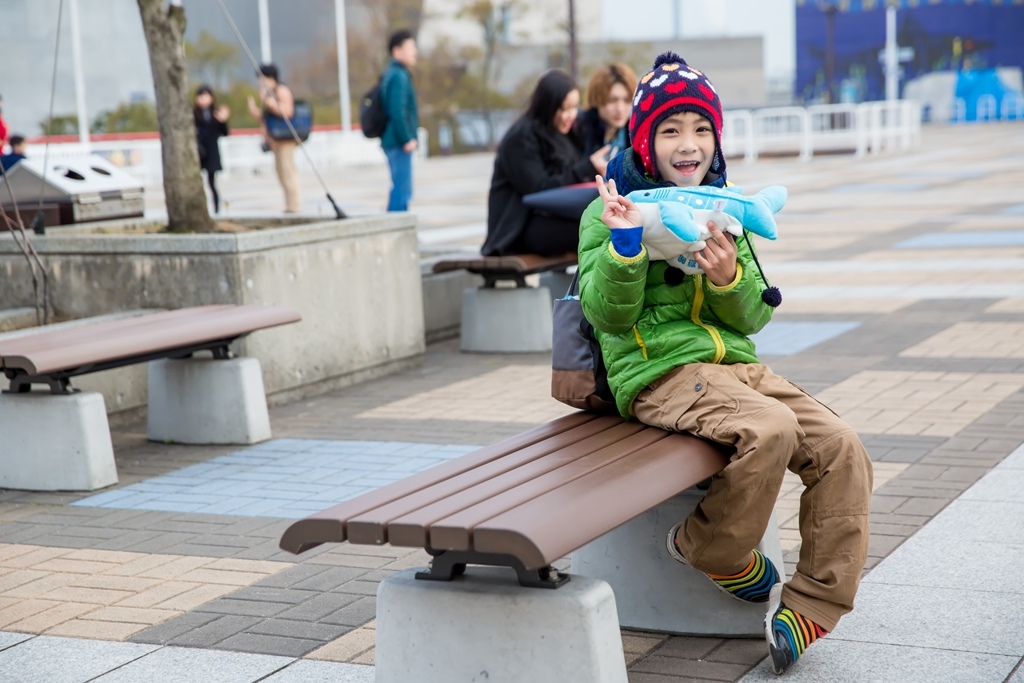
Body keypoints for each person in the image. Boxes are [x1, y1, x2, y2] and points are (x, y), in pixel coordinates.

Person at [578, 52, 872, 675]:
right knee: (771, 428)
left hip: (734, 367)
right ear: (644, 139)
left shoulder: (726, 205)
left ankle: (814, 603)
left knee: (842, 446)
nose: (688, 143)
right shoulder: (613, 208)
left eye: (701, 129)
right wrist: (627, 247)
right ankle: (711, 547)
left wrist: (727, 277)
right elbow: (606, 315)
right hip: (658, 372)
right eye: (670, 130)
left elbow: (753, 316)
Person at [482, 69, 610, 256]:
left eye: (574, 107)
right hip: (518, 229)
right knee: (597, 227)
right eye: (563, 109)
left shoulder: (562, 133)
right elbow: (539, 189)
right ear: (546, 106)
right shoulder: (521, 138)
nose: (570, 115)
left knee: (605, 222)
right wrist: (586, 167)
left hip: (549, 219)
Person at [247, 63, 301, 213]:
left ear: (270, 78)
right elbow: (267, 118)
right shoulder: (268, 93)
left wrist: (269, 102)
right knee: (280, 172)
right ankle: (289, 204)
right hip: (275, 139)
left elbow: (287, 112)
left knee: (288, 171)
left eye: (262, 78)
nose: (260, 82)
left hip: (285, 138)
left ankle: (295, 205)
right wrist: (254, 111)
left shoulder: (281, 90)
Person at [380, 29, 420, 213]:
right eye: (410, 47)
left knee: (399, 189)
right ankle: (395, 227)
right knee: (402, 192)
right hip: (398, 142)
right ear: (396, 51)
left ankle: (394, 225)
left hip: (393, 140)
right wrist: (407, 138)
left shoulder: (393, 73)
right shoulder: (399, 76)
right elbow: (397, 110)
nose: (414, 52)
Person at [577, 62, 637, 158]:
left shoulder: (636, 136)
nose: (620, 108)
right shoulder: (578, 130)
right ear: (597, 99)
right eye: (612, 100)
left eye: (627, 100)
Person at [193, 85, 230, 214]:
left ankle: (216, 209)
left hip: (211, 151)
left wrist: (223, 121)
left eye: (206, 96)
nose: (203, 99)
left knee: (211, 182)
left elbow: (224, 133)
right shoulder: (193, 114)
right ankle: (199, 209)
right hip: (198, 150)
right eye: (200, 96)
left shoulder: (216, 113)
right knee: (195, 182)